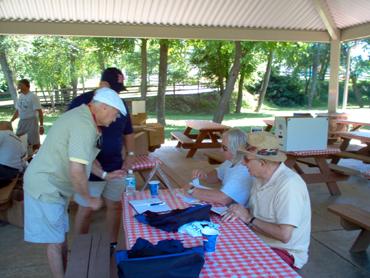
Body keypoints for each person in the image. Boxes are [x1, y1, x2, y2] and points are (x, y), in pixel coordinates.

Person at [23, 87, 126, 278]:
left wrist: (105, 175)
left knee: (60, 238)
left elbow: (88, 159)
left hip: (56, 186)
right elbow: (77, 170)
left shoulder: (85, 119)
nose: (115, 119)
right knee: (55, 241)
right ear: (103, 107)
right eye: (115, 114)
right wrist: (88, 198)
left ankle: (68, 270)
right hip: (45, 185)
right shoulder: (83, 125)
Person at [67, 67, 135, 252]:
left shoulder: (119, 104)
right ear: (102, 84)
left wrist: (129, 156)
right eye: (114, 89)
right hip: (89, 168)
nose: (116, 94)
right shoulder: (81, 103)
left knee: (115, 206)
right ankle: (80, 247)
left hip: (116, 165)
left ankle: (112, 244)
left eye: (119, 90)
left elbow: (128, 132)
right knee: (86, 208)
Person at [222, 131, 311, 270]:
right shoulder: (259, 177)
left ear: (262, 162)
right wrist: (241, 211)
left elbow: (284, 235)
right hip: (258, 240)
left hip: (284, 252)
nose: (243, 163)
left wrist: (248, 218)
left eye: (246, 159)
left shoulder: (289, 185)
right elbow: (259, 211)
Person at [184, 128, 252, 206]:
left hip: (238, 212)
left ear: (236, 149)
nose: (221, 150)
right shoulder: (231, 161)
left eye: (224, 148)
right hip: (230, 208)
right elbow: (217, 175)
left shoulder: (243, 169)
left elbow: (223, 199)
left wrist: (192, 190)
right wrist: (204, 176)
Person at [10, 79, 44, 151]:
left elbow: (40, 111)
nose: (18, 86)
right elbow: (18, 111)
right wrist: (10, 121)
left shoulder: (33, 96)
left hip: (32, 121)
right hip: (22, 121)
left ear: (26, 86)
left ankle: (37, 157)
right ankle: (25, 157)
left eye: (20, 85)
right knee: (19, 139)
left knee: (34, 143)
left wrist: (41, 126)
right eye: (18, 85)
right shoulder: (21, 96)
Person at [0, 121, 26, 187]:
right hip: (13, 172)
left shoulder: (2, 133)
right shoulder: (19, 140)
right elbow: (23, 154)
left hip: (2, 169)